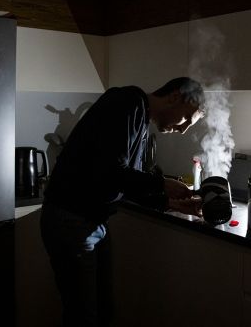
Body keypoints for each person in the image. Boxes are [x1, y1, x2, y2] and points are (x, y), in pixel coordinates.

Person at [40, 77, 206, 327]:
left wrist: (170, 203)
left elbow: (124, 184)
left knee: (102, 312)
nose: (183, 130)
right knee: (83, 317)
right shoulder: (127, 103)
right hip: (71, 219)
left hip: (90, 222)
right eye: (186, 119)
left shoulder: (139, 118)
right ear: (174, 97)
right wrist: (162, 184)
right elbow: (110, 171)